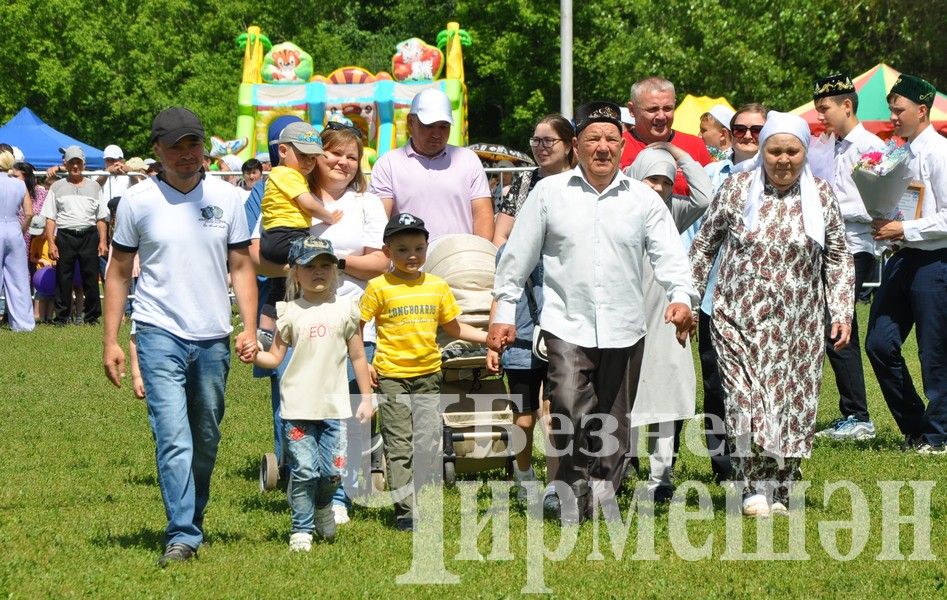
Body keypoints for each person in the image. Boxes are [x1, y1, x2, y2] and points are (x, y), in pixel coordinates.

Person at [489, 102, 697, 524]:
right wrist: (503, 311)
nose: (602, 148)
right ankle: (569, 489)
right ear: (576, 146)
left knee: (615, 422)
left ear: (623, 145)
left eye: (610, 140)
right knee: (566, 404)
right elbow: (517, 257)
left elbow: (670, 255)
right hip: (566, 322)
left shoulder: (642, 199)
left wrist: (681, 297)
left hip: (626, 326)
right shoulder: (549, 194)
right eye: (592, 140)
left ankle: (599, 493)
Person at [102, 106, 259, 567]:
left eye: (194, 143)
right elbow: (118, 273)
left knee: (205, 436)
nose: (187, 154)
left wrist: (248, 327)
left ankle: (192, 514)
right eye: (176, 146)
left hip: (212, 333)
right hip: (157, 331)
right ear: (157, 150)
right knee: (173, 436)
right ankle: (183, 534)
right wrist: (112, 341)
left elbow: (241, 266)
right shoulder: (137, 201)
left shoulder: (229, 198)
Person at [689, 112, 855, 517]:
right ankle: (749, 486)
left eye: (792, 151)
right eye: (775, 151)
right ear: (762, 152)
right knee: (745, 400)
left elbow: (837, 255)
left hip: (798, 322)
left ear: (804, 153)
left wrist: (842, 310)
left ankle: (781, 484)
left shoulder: (821, 194)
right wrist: (689, 302)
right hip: (737, 318)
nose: (783, 160)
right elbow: (703, 247)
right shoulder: (735, 189)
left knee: (789, 403)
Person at [360, 213, 488, 532]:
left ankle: (423, 501)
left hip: (429, 375)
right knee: (399, 443)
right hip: (392, 378)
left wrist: (490, 338)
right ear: (387, 252)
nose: (412, 255)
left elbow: (454, 327)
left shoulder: (437, 286)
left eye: (418, 247)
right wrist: (364, 363)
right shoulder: (378, 288)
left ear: (427, 248)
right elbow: (356, 328)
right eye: (402, 249)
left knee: (428, 442)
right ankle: (406, 510)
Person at [253, 236, 374, 551]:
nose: (318, 272)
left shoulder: (347, 310)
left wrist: (366, 398)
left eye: (325, 265)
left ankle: (323, 508)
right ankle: (301, 529)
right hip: (297, 407)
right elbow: (274, 357)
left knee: (333, 472)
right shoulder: (289, 312)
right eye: (309, 266)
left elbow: (359, 358)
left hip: (334, 409)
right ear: (295, 273)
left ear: (335, 271)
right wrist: (253, 353)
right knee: (305, 470)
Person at [685, 103, 769, 485]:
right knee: (717, 385)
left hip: (769, 300)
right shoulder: (709, 174)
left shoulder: (785, 173)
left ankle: (766, 461)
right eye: (741, 130)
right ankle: (725, 467)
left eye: (757, 130)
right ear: (729, 132)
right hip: (714, 298)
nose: (749, 136)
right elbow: (696, 237)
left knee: (766, 382)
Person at [625, 144, 712, 502]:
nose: (659, 188)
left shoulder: (671, 212)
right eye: (651, 179)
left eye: (665, 181)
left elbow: (704, 197)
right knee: (625, 390)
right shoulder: (620, 207)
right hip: (627, 312)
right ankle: (622, 465)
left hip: (666, 314)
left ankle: (662, 473)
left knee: (664, 389)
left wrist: (677, 153)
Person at [866, 74, 947, 455]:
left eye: (898, 110)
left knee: (935, 354)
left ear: (921, 109)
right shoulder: (901, 151)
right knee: (879, 343)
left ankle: (938, 436)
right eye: (891, 110)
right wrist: (884, 221)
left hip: (936, 261)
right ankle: (917, 427)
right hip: (903, 257)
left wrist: (905, 227)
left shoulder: (939, 152)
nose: (893, 117)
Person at [810, 74, 884, 441]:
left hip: (856, 247)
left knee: (837, 328)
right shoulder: (834, 147)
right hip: (833, 247)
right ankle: (854, 413)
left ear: (847, 106)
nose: (820, 116)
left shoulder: (869, 147)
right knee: (836, 328)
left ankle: (857, 416)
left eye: (824, 108)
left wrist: (831, 208)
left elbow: (880, 205)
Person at [369, 88, 494, 241]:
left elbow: (483, 215)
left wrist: (479, 256)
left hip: (460, 261)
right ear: (410, 122)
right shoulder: (387, 164)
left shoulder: (468, 159)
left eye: (443, 126)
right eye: (429, 125)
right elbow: (379, 222)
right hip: (408, 264)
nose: (436, 134)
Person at [259, 121, 341, 321]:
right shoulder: (288, 174)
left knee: (281, 287)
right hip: (287, 235)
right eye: (303, 155)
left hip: (274, 237)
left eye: (313, 158)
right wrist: (329, 217)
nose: (308, 162)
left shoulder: (281, 175)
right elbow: (308, 204)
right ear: (283, 150)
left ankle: (268, 329)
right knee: (319, 260)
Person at [41, 145, 108, 326]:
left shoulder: (95, 187)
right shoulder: (56, 187)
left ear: (84, 164)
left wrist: (103, 241)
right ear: (65, 164)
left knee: (91, 277)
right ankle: (61, 317)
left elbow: (101, 218)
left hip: (89, 235)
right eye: (72, 162)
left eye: (78, 162)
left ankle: (92, 317)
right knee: (63, 278)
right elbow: (50, 218)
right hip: (65, 235)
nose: (76, 166)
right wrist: (51, 243)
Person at [619, 77, 713, 194]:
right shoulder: (617, 146)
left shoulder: (696, 145)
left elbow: (710, 195)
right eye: (653, 109)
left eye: (668, 108)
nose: (661, 116)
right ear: (632, 110)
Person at [493, 114, 576, 247]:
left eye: (548, 140)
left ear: (568, 146)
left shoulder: (580, 183)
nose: (540, 146)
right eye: (536, 140)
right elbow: (500, 235)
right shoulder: (524, 182)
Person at [0, 151, 35, 331]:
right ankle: (24, 324)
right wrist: (20, 231)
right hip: (14, 228)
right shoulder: (20, 184)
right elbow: (29, 213)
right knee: (19, 278)